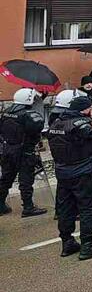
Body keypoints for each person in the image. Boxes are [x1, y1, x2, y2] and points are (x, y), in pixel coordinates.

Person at [48, 95, 92, 259]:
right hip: (81, 171)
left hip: (62, 173)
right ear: (85, 109)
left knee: (65, 209)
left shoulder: (56, 123)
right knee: (88, 209)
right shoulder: (81, 124)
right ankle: (87, 246)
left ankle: (67, 242)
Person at [0, 88, 47, 217]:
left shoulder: (6, 112)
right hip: (24, 151)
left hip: (8, 149)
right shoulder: (28, 114)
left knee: (6, 178)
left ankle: (0, 204)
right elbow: (38, 126)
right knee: (26, 179)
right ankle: (28, 207)